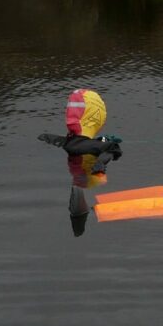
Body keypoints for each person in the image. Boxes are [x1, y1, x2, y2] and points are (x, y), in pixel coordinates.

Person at [38, 89, 123, 236]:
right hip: (90, 173)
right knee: (95, 182)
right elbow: (113, 151)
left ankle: (79, 203)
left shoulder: (48, 138)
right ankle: (82, 209)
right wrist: (101, 164)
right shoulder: (104, 146)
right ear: (97, 116)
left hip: (69, 148)